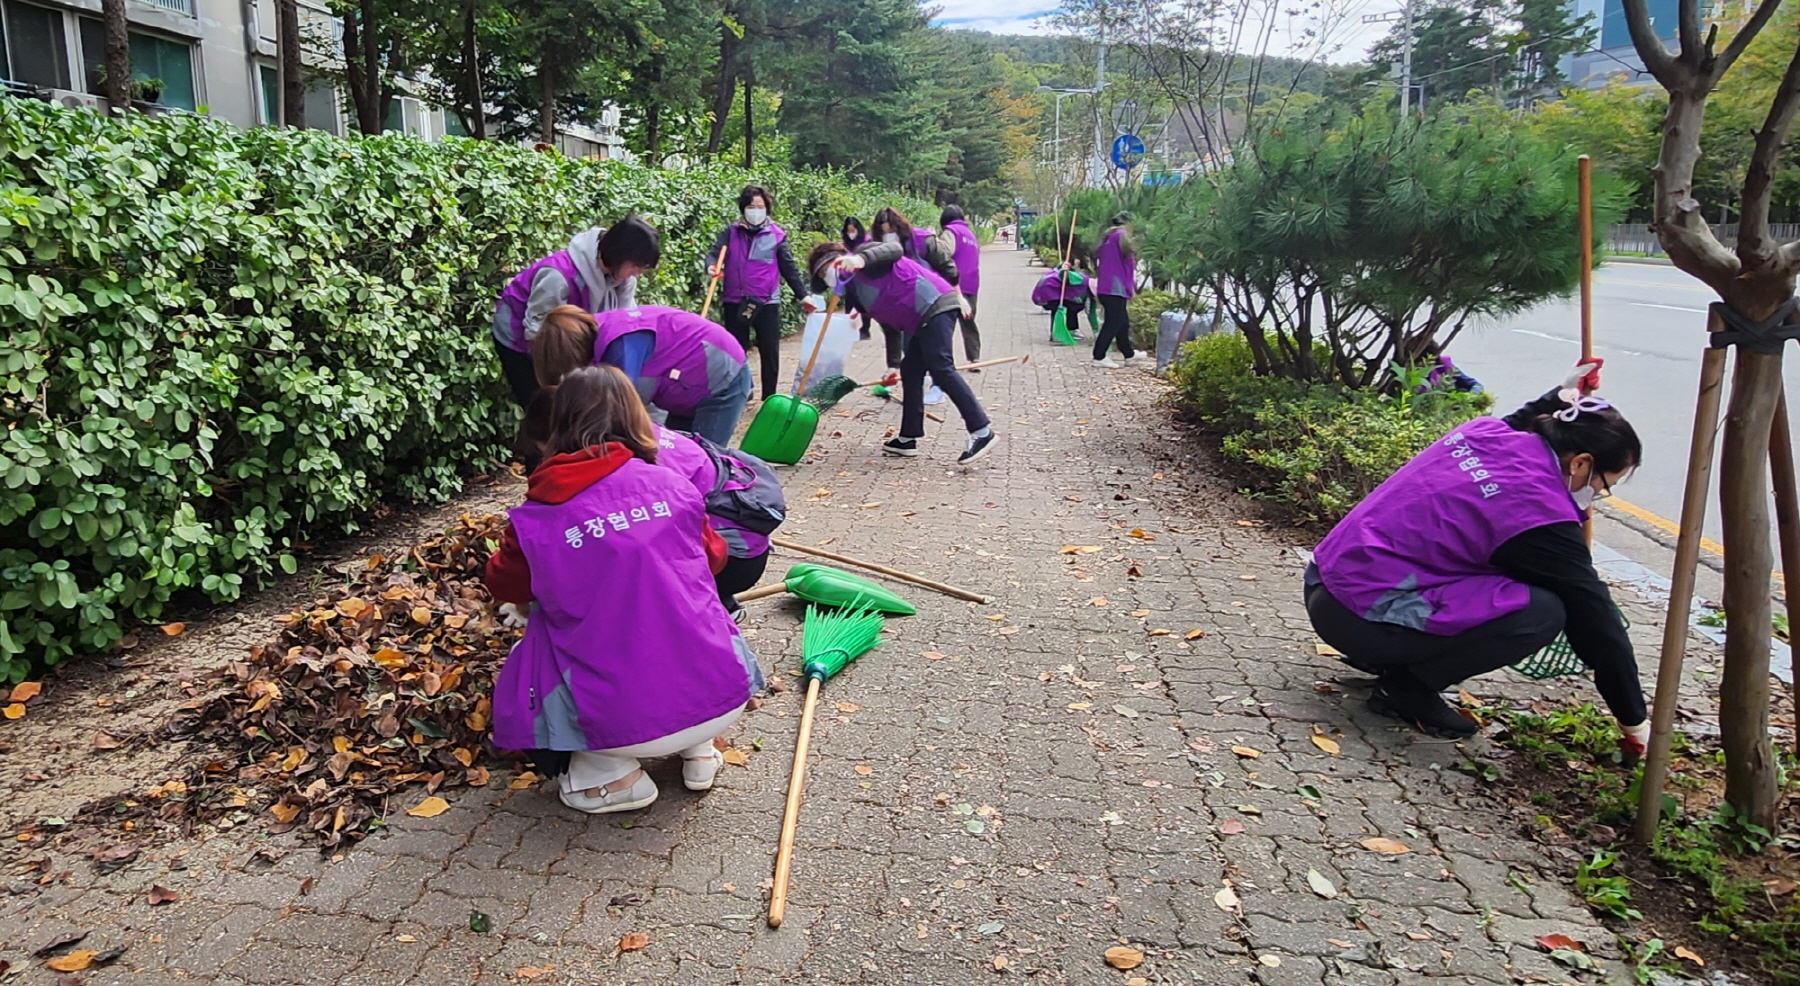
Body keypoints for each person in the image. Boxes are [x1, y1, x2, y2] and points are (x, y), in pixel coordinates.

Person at [1303, 362, 1649, 748]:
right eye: (1604, 485)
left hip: (1326, 579)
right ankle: (1406, 687)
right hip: (1358, 618)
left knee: (1493, 568)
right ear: (1581, 463)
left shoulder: (1485, 434)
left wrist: (1561, 393)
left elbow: (1523, 419)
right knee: (1541, 611)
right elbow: (1595, 617)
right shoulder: (1537, 514)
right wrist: (1634, 719)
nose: (1597, 495)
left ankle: (1388, 657)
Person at [485, 366, 759, 815]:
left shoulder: (537, 517)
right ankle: (699, 752)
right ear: (636, 415)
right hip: (725, 695)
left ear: (559, 422)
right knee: (684, 612)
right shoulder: (672, 483)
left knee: (535, 645)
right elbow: (714, 558)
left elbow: (504, 583)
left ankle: (610, 778)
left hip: (625, 722)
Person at [806, 240, 996, 464]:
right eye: (822, 275)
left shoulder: (867, 256)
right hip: (919, 321)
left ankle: (981, 431)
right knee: (911, 370)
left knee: (941, 367)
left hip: (935, 304)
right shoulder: (856, 292)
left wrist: (860, 259)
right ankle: (908, 438)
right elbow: (889, 325)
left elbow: (894, 250)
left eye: (826, 269)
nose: (827, 276)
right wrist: (893, 365)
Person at [492, 217, 662, 406]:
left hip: (563, 335)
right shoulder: (558, 276)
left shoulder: (624, 280)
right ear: (618, 254)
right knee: (542, 403)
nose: (637, 273)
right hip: (519, 337)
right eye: (635, 266)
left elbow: (622, 325)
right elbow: (537, 334)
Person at [651, 427, 785, 621]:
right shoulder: (650, 431)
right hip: (744, 549)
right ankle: (718, 605)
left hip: (731, 561)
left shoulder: (644, 465)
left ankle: (706, 609)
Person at [591, 305, 752, 446]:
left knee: (706, 456)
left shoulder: (621, 348)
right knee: (676, 454)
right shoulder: (598, 335)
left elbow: (624, 412)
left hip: (723, 377)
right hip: (681, 387)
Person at [705, 186, 809, 403]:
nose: (756, 211)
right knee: (736, 350)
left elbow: (788, 268)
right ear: (743, 208)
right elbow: (714, 254)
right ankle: (743, 388)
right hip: (735, 299)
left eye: (760, 207)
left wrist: (803, 295)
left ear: (767, 209)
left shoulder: (777, 235)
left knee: (769, 350)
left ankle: (770, 397)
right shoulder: (731, 232)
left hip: (766, 301)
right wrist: (711, 266)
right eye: (751, 207)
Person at [1092, 212, 1142, 369]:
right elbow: (1130, 256)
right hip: (1115, 287)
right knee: (1114, 322)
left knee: (1122, 321)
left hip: (1106, 285)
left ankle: (1129, 354)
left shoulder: (1107, 238)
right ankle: (1099, 356)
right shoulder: (1122, 236)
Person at [938, 205, 983, 365]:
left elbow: (944, 252)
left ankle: (942, 360)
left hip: (952, 284)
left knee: (944, 324)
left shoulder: (951, 232)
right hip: (972, 283)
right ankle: (974, 358)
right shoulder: (970, 234)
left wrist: (933, 240)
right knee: (969, 322)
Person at [1032, 265, 1093, 342]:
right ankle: (1056, 333)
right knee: (1059, 309)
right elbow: (1063, 275)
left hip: (1055, 292)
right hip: (1050, 292)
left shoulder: (1084, 283)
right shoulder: (1082, 281)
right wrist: (1064, 269)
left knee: (1072, 307)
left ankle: (1070, 330)